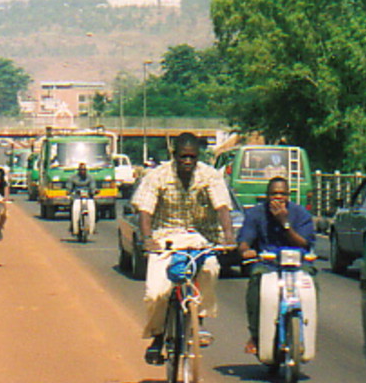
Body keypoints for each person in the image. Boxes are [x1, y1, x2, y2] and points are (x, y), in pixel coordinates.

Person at [132, 132, 234, 363]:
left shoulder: (209, 175)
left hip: (202, 237)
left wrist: (228, 235)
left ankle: (201, 320)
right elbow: (145, 210)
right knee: (156, 293)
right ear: (174, 155)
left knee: (210, 270)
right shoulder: (157, 176)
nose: (187, 162)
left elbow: (222, 207)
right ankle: (158, 336)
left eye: (192, 157)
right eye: (183, 157)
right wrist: (147, 238)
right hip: (165, 239)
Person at [236, 175, 317, 356]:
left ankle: (306, 333)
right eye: (274, 194)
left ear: (288, 196)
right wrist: (245, 250)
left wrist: (284, 223)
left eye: (282, 194)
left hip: (297, 264)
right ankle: (256, 335)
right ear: (267, 195)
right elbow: (245, 240)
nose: (278, 198)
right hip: (269, 264)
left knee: (311, 285)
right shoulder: (256, 214)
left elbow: (304, 243)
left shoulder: (300, 214)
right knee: (257, 284)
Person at [67, 161, 97, 236]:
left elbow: (93, 186)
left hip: (88, 198)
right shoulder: (73, 177)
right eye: (81, 170)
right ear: (78, 170)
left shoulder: (90, 178)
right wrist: (69, 191)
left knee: (94, 208)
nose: (82, 171)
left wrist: (93, 191)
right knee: (73, 209)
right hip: (76, 198)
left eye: (84, 170)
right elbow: (69, 186)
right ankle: (73, 226)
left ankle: (92, 225)